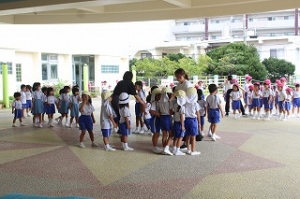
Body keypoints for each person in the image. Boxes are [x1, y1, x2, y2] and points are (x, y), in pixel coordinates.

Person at [184, 87, 201, 155]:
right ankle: (193, 150)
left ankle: (188, 149)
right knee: (193, 137)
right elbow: (198, 113)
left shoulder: (185, 103)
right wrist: (199, 122)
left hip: (186, 120)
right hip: (193, 120)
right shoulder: (195, 103)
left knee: (187, 136)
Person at [158, 87, 173, 156]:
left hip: (162, 117)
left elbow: (159, 111)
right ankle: (166, 148)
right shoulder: (169, 102)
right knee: (171, 134)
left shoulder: (159, 101)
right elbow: (170, 112)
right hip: (167, 117)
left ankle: (164, 148)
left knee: (164, 134)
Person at [172, 90, 186, 155]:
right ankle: (177, 150)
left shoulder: (175, 105)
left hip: (175, 122)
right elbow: (182, 117)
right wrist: (183, 126)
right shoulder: (182, 107)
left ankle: (174, 148)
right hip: (180, 123)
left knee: (176, 137)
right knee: (180, 137)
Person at [149, 87, 163, 154]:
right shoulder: (154, 103)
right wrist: (158, 114)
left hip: (159, 120)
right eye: (158, 95)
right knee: (156, 133)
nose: (160, 96)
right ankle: (154, 146)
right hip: (155, 119)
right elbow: (151, 111)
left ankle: (156, 146)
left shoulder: (161, 102)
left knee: (158, 133)